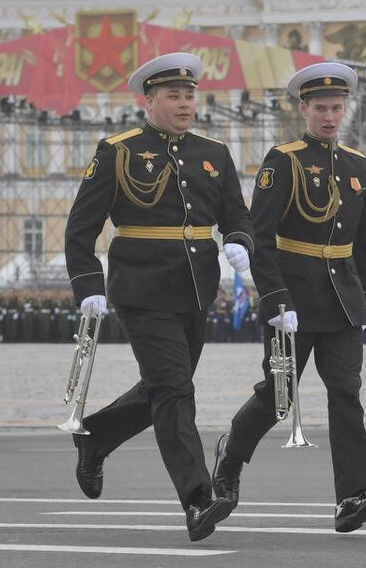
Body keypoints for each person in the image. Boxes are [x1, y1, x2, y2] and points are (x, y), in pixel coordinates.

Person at [64, 52, 254, 542]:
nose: (185, 103)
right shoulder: (118, 150)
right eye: (173, 95)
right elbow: (80, 229)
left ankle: (97, 437)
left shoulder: (214, 152)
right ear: (149, 100)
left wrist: (238, 241)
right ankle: (197, 499)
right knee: (174, 390)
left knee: (164, 388)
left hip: (195, 289)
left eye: (190, 95)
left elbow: (237, 214)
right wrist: (88, 285)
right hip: (141, 289)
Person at [212, 61, 366, 533]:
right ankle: (230, 455)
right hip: (292, 300)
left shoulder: (358, 165)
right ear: (304, 109)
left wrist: (364, 297)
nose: (330, 117)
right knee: (279, 395)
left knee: (346, 394)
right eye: (321, 108)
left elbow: (364, 241)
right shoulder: (284, 159)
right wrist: (274, 299)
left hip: (342, 302)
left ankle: (352, 495)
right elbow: (262, 234)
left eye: (337, 107)